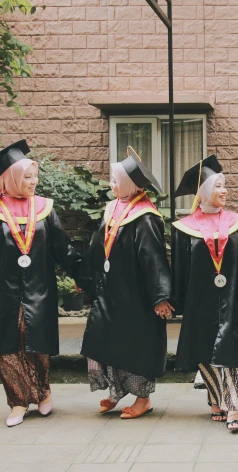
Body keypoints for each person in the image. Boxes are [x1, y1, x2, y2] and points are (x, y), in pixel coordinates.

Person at [0, 140, 83, 427]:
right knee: (6, 345)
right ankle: (17, 402)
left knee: (37, 344)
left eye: (34, 176)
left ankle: (43, 393)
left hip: (39, 289)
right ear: (11, 178)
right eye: (27, 177)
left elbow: (62, 249)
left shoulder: (43, 208)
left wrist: (82, 275)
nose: (33, 182)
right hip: (2, 290)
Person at [171, 155, 238, 432]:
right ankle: (216, 400)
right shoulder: (185, 228)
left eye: (225, 185)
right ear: (204, 191)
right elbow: (180, 270)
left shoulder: (237, 223)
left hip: (233, 297)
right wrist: (173, 300)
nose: (224, 191)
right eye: (218, 186)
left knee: (230, 350)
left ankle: (233, 405)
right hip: (200, 300)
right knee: (205, 349)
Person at [77, 147, 173, 420]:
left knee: (135, 345)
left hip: (136, 296)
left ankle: (143, 399)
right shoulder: (113, 208)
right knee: (105, 341)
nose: (112, 184)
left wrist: (160, 296)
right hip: (109, 292)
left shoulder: (145, 216)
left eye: (116, 181)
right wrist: (85, 278)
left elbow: (155, 260)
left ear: (130, 183)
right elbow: (98, 249)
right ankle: (115, 393)